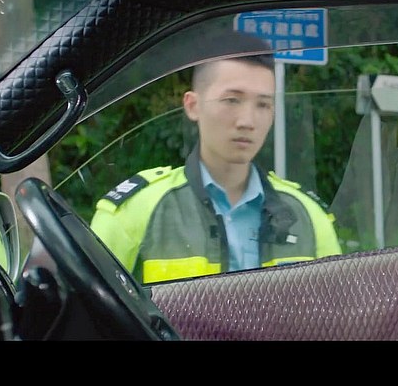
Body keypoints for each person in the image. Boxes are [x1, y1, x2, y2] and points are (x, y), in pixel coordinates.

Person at [89, 31, 342, 284]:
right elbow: (89, 301)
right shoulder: (137, 211)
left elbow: (339, 306)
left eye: (263, 105)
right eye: (232, 100)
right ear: (192, 105)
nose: (247, 121)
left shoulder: (308, 217)